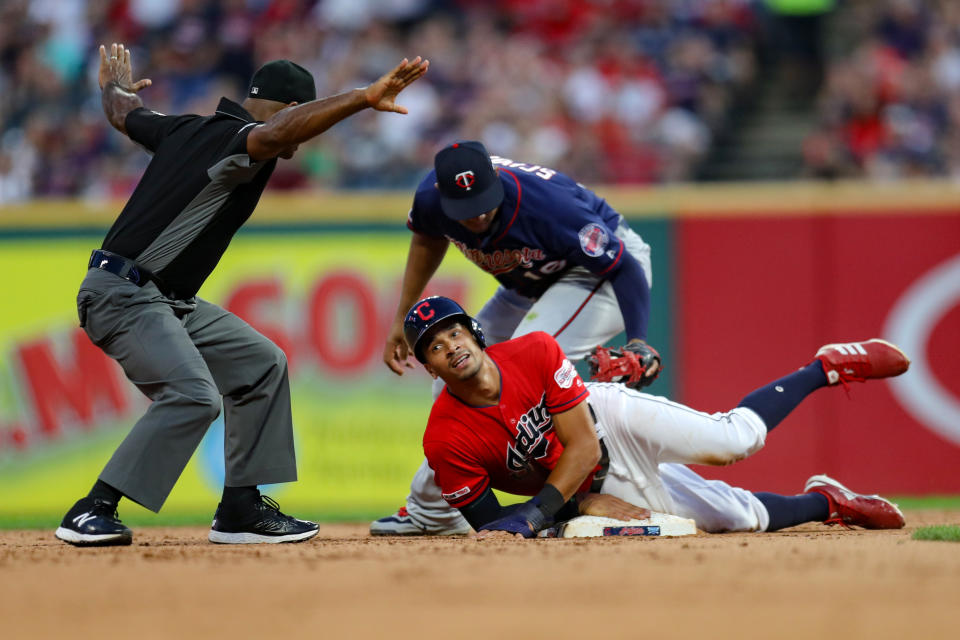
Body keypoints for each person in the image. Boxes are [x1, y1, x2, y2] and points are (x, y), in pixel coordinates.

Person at [54, 43, 429, 547]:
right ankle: (92, 508)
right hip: (123, 293)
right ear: (292, 110)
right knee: (192, 394)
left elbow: (127, 115)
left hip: (165, 298)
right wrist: (362, 97)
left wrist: (112, 87)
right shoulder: (239, 141)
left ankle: (240, 508)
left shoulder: (183, 128)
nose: (302, 141)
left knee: (261, 363)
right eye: (303, 120)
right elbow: (275, 134)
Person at [399, 296, 909, 538]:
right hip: (578, 484)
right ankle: (829, 502)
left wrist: (546, 513)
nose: (451, 347)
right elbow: (495, 529)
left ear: (476, 333)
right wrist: (577, 508)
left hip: (605, 424)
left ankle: (826, 367)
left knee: (732, 441)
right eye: (436, 347)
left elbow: (583, 449)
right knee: (734, 518)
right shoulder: (444, 439)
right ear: (429, 367)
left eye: (455, 333)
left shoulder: (534, 349)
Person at [372, 140, 661, 536]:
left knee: (523, 358)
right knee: (455, 378)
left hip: (601, 274)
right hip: (528, 284)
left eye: (483, 202)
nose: (476, 215)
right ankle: (431, 510)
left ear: (496, 181)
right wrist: (401, 316)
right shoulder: (429, 199)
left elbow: (623, 266)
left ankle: (562, 498)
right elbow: (426, 238)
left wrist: (639, 341)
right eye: (464, 208)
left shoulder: (548, 207)